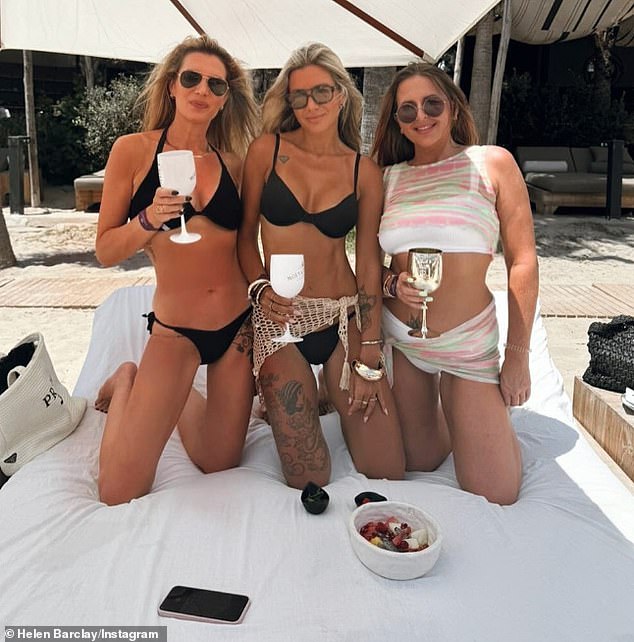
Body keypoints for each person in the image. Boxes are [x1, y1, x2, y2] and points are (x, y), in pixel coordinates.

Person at [94, 35, 259, 505]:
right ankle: (129, 379)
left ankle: (175, 395)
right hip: (175, 331)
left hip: (235, 329)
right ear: (171, 86)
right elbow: (105, 250)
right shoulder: (133, 152)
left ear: (225, 98)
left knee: (219, 461)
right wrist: (148, 220)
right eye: (192, 78)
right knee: (118, 491)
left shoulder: (233, 163)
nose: (202, 90)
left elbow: (247, 247)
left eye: (216, 84)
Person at [238, 43, 405, 490]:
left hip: (343, 314)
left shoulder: (362, 171)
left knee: (387, 470)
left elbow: (369, 262)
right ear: (288, 101)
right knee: (309, 477)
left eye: (321, 92)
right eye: (299, 96)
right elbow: (244, 238)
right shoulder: (266, 151)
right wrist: (258, 289)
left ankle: (331, 389)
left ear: (342, 96)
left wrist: (370, 347)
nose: (310, 104)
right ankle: (308, 392)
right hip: (283, 319)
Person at [372, 62, 538, 505]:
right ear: (397, 122)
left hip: (468, 345)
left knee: (497, 491)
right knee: (420, 460)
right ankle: (449, 412)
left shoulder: (491, 163)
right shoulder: (387, 177)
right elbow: (368, 264)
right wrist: (392, 286)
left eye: (431, 104)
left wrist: (517, 355)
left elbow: (522, 260)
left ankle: (464, 399)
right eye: (407, 110)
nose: (421, 117)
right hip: (405, 341)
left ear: (452, 107)